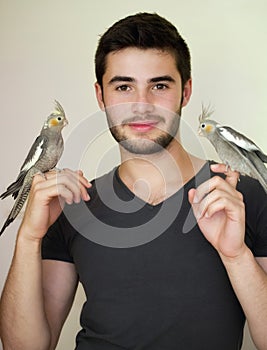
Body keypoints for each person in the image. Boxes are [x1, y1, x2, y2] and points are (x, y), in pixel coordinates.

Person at [0, 12, 267, 350]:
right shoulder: (70, 204)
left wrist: (236, 256)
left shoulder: (242, 195)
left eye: (159, 86)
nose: (142, 106)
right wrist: (28, 237)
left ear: (185, 92)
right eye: (124, 87)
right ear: (101, 96)